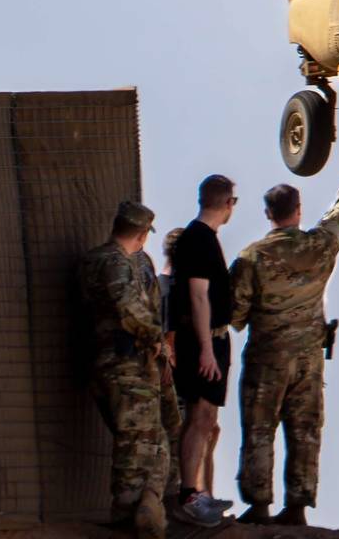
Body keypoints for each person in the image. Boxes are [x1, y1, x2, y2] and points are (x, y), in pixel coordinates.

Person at [228, 144, 339, 526]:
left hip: (267, 356)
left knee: (259, 427)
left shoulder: (250, 258)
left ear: (268, 214)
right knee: (304, 430)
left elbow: (236, 314)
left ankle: (258, 505)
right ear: (298, 211)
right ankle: (297, 506)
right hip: (308, 359)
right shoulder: (319, 245)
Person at [78, 201, 178, 539]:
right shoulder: (115, 263)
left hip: (120, 362)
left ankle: (148, 505)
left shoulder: (97, 260)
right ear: (141, 233)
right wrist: (156, 339)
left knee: (156, 439)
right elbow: (129, 307)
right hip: (126, 363)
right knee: (136, 440)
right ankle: (128, 514)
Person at [168, 175, 240, 525]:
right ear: (228, 203)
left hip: (213, 339)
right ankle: (189, 496)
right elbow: (198, 297)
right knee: (200, 417)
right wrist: (206, 349)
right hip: (203, 341)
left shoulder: (204, 238)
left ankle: (195, 492)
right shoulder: (197, 238)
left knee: (206, 418)